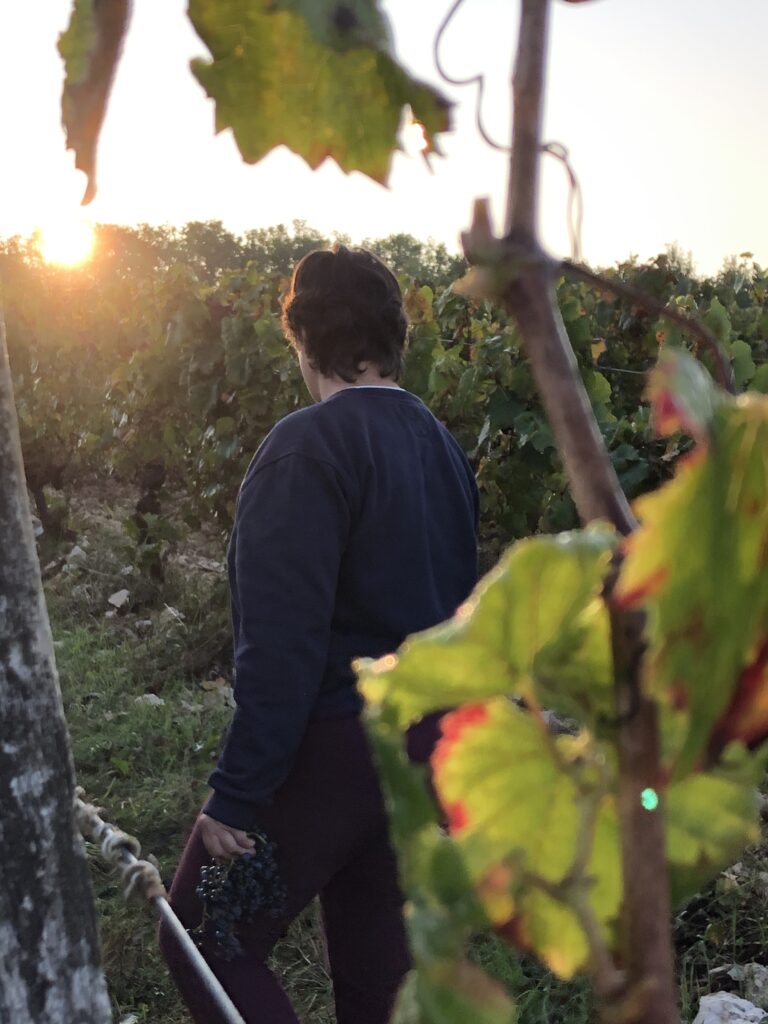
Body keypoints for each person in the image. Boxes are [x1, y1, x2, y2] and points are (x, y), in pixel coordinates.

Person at [159, 245, 479, 1024]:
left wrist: (238, 793)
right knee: (377, 982)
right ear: (395, 337)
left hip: (334, 747)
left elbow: (283, 644)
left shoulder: (306, 446)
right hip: (420, 751)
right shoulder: (442, 447)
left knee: (203, 934)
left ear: (301, 337)